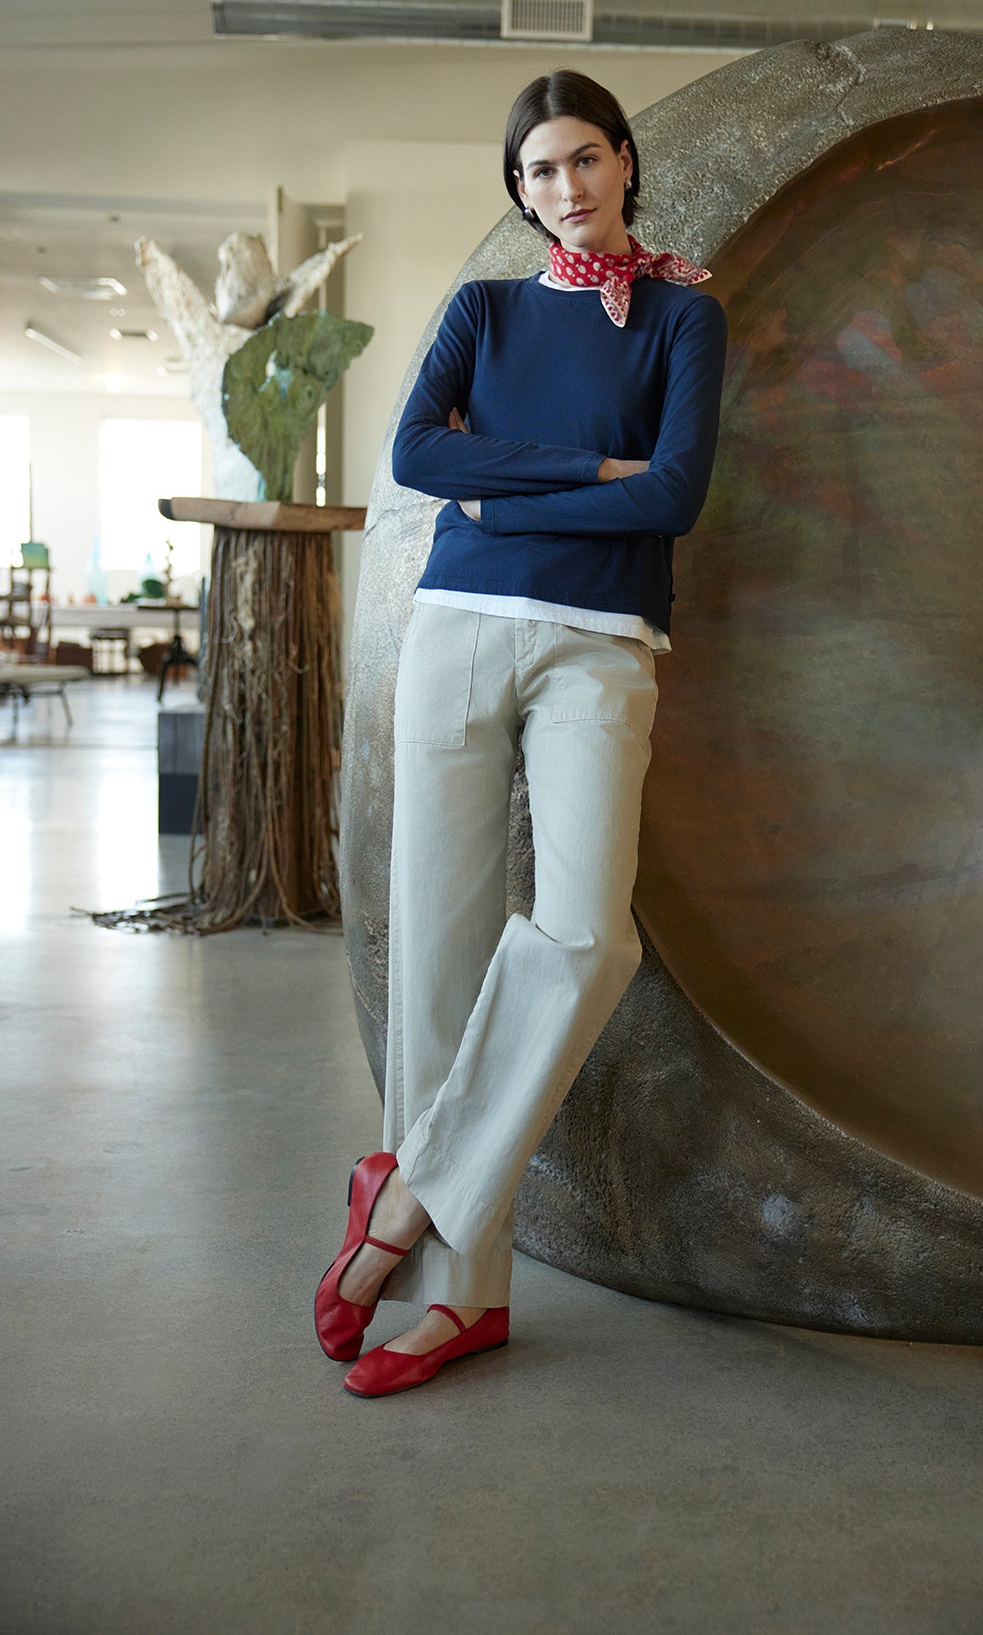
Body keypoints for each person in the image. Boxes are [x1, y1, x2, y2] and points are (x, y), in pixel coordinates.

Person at [316, 69, 728, 1398]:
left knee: (585, 935)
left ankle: (405, 1200)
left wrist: (520, 494)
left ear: (625, 163)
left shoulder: (682, 315)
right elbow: (420, 463)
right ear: (521, 192)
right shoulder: (485, 309)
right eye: (539, 172)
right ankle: (458, 1301)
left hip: (603, 646)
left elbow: (673, 496)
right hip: (455, 631)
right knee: (437, 953)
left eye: (586, 160)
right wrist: (583, 476)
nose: (567, 188)